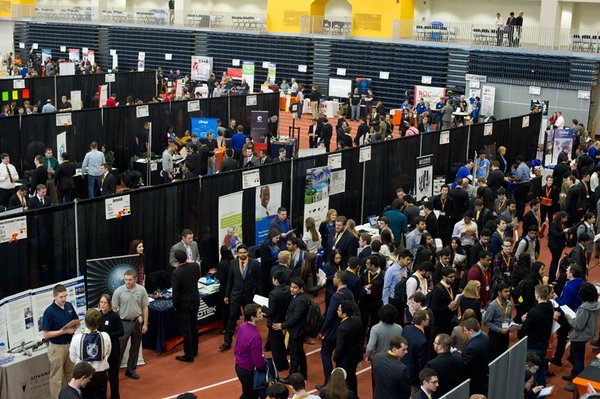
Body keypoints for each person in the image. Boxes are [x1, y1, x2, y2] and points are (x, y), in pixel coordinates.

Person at [42, 284, 80, 399]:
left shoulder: (68, 305)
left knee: (71, 374)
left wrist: (76, 326)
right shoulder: (49, 312)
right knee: (56, 379)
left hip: (70, 345)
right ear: (54, 297)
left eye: (65, 296)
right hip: (56, 348)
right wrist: (64, 331)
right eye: (61, 297)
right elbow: (46, 334)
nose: (64, 299)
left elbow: (76, 320)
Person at [221, 244, 260, 351]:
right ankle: (227, 341)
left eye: (244, 252)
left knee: (249, 319)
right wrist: (226, 295)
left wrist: (259, 296)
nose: (242, 254)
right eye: (240, 253)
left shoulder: (255, 263)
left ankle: (248, 340)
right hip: (235, 295)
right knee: (232, 317)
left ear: (247, 253)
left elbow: (259, 281)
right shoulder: (233, 263)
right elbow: (230, 280)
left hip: (248, 295)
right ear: (237, 253)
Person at [319, 271, 355, 387]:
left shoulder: (336, 296)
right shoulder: (349, 293)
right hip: (345, 328)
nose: (333, 279)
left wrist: (322, 330)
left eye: (334, 277)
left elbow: (329, 315)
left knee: (325, 353)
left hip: (333, 330)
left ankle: (328, 382)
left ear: (339, 280)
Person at [563, 282, 600, 392]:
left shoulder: (584, 308)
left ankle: (577, 384)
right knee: (577, 357)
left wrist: (568, 317)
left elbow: (578, 325)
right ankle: (573, 375)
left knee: (578, 360)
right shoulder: (595, 304)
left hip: (579, 336)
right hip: (587, 334)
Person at [113, 269, 149, 380]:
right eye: (125, 280)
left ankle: (131, 370)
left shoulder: (141, 290)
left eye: (130, 280)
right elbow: (114, 309)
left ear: (135, 279)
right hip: (123, 323)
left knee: (135, 348)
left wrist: (145, 324)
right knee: (119, 349)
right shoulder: (119, 291)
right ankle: (114, 372)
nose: (127, 282)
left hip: (137, 322)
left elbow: (145, 308)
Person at [69, 309, 111, 399]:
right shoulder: (105, 336)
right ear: (99, 322)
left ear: (85, 321)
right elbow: (107, 353)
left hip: (83, 376)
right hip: (100, 374)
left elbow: (72, 358)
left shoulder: (76, 338)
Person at [274, 277, 310, 381]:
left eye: (295, 287)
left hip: (297, 331)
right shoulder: (298, 297)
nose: (292, 289)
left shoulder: (301, 301)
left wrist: (282, 325)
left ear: (301, 289)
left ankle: (291, 378)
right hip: (296, 330)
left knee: (294, 355)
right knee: (300, 353)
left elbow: (295, 317)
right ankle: (303, 373)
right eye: (291, 286)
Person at [518, 284, 554, 386]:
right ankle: (542, 390)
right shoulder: (549, 307)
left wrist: (524, 320)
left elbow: (525, 328)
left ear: (537, 295)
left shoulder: (535, 311)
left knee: (531, 372)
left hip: (533, 346)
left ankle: (534, 392)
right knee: (541, 369)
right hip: (543, 344)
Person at [171, 249, 200, 362]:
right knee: (194, 326)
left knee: (186, 330)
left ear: (177, 260)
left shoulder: (176, 273)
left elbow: (176, 293)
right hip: (195, 302)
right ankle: (195, 350)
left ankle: (189, 355)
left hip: (183, 305)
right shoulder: (195, 266)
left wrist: (176, 306)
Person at [234, 304, 265, 399]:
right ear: (252, 317)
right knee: (251, 395)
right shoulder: (255, 337)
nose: (262, 314)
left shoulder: (242, 326)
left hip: (239, 365)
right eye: (259, 313)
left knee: (247, 392)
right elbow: (257, 359)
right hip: (248, 370)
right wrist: (263, 367)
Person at [263, 271, 292, 372]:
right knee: (284, 343)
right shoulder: (289, 289)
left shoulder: (273, 293)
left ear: (275, 280)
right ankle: (285, 364)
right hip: (285, 321)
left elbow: (270, 311)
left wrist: (263, 308)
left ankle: (279, 366)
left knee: (276, 346)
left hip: (274, 323)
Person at [334, 300, 363, 395]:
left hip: (345, 359)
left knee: (345, 381)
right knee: (352, 377)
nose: (337, 311)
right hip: (355, 356)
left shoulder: (342, 328)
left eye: (339, 310)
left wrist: (336, 358)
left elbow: (339, 348)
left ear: (344, 313)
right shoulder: (357, 320)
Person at [98, 294, 123, 399]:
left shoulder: (114, 316)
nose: (102, 305)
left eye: (105, 303)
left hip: (113, 350)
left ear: (109, 304)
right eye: (101, 302)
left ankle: (115, 396)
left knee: (113, 376)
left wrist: (106, 335)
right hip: (101, 351)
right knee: (102, 376)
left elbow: (121, 332)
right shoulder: (97, 315)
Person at [482, 282, 513, 360]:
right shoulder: (493, 305)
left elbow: (509, 317)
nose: (508, 293)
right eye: (506, 291)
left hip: (505, 335)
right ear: (499, 293)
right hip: (495, 336)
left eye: (509, 291)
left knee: (504, 356)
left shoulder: (509, 303)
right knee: (494, 358)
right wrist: (499, 330)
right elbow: (486, 322)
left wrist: (512, 324)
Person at [401, 309, 430, 389]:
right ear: (422, 322)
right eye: (427, 319)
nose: (429, 320)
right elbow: (422, 363)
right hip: (414, 376)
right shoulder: (422, 341)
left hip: (403, 368)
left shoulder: (406, 329)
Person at [461, 318, 490, 396]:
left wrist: (458, 356)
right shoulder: (485, 338)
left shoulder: (472, 347)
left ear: (471, 331)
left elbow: (465, 365)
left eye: (465, 330)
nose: (464, 332)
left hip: (475, 380)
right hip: (484, 375)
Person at [429, 266, 459, 336]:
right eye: (450, 277)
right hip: (440, 324)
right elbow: (434, 309)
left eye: (454, 276)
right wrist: (448, 307)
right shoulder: (438, 290)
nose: (453, 278)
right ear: (444, 277)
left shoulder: (451, 286)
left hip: (449, 320)